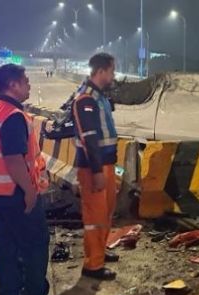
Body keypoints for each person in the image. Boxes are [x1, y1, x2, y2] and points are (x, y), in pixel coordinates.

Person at [0, 64, 68, 295]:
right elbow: (14, 158)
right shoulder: (13, 116)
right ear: (13, 85)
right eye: (25, 81)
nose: (28, 85)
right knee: (36, 244)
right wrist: (28, 190)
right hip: (16, 191)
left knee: (6, 243)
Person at [72, 53, 120, 281]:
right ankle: (93, 266)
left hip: (107, 164)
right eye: (112, 71)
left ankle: (100, 250)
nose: (114, 75)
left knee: (106, 213)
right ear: (101, 71)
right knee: (94, 218)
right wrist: (98, 171)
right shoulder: (86, 98)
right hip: (94, 168)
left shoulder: (100, 96)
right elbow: (89, 137)